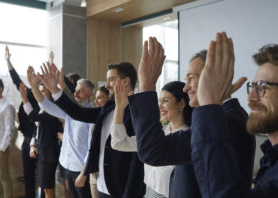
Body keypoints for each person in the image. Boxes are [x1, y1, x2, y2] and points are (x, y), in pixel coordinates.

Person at [128, 37, 255, 197]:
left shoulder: (226, 122)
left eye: (191, 78)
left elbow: (153, 151)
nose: (186, 87)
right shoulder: (231, 114)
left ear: (213, 76)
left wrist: (147, 85)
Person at [38, 62, 145, 198]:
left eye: (111, 79)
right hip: (102, 184)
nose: (106, 85)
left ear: (125, 81)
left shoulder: (137, 112)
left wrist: (129, 194)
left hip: (121, 189)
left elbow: (137, 160)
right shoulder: (109, 108)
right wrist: (54, 89)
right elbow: (78, 113)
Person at [190, 33, 278, 197]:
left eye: (262, 86)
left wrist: (209, 104)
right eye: (252, 86)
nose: (250, 97)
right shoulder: (270, 157)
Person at [111, 79, 193, 198]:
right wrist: (119, 107)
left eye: (165, 101)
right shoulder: (158, 134)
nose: (160, 106)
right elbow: (119, 143)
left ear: (181, 103)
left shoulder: (188, 139)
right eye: (159, 101)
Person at [26, 65, 93, 198]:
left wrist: (84, 174)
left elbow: (92, 148)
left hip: (80, 169)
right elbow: (46, 105)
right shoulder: (70, 111)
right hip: (66, 164)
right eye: (76, 90)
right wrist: (33, 86)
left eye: (81, 91)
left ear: (90, 95)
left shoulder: (93, 116)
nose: (77, 93)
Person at [19, 82, 63, 198]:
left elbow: (34, 117)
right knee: (44, 187)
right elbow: (35, 127)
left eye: (43, 91)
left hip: (49, 152)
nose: (40, 94)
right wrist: (32, 145)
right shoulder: (40, 108)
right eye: (39, 91)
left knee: (48, 188)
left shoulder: (53, 109)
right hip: (40, 150)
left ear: (50, 93)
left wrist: (24, 99)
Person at [5, 46, 38, 198]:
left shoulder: (47, 100)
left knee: (44, 177)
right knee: (28, 174)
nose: (33, 81)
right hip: (26, 141)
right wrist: (8, 61)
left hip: (40, 142)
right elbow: (16, 80)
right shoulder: (29, 94)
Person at [89, 85, 110, 198]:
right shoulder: (95, 120)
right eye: (96, 98)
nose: (96, 102)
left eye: (100, 98)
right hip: (94, 173)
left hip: (107, 174)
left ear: (109, 98)